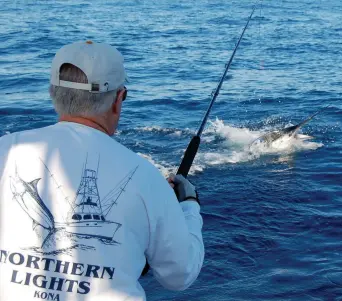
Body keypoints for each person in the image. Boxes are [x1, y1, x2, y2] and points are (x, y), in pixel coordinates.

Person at [0, 41, 204, 301]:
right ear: (118, 100)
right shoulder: (145, 175)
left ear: (53, 92)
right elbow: (180, 274)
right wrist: (188, 206)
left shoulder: (4, 149)